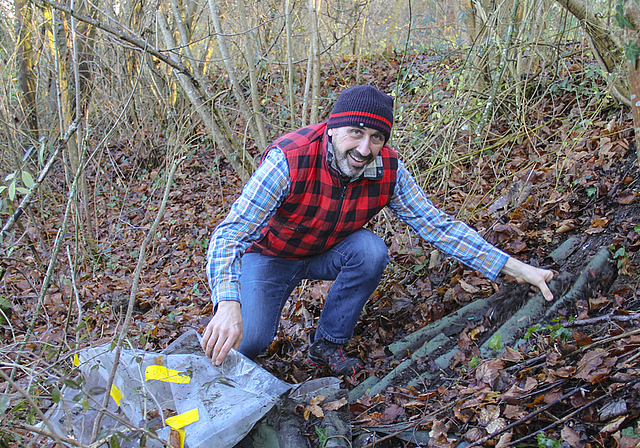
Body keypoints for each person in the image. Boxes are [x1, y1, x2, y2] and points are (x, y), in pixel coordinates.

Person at [201, 85, 554, 377]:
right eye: (355, 132)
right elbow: (230, 234)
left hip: (329, 250)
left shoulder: (388, 170)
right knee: (248, 343)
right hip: (271, 255)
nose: (363, 149)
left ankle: (327, 344)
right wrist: (228, 304)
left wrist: (516, 268)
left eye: (376, 137)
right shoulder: (289, 159)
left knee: (370, 251)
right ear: (332, 127)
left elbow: (438, 226)